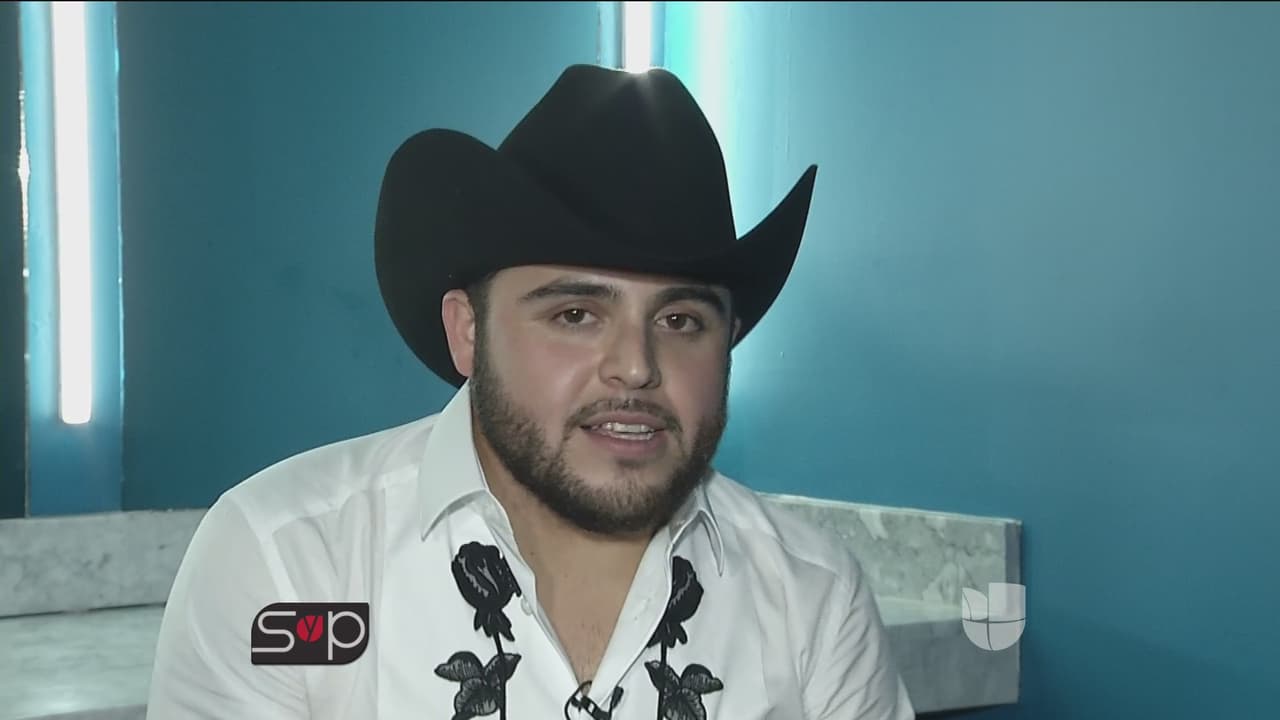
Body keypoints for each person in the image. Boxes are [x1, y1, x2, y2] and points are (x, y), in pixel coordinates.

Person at [146, 63, 915, 719]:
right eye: (575, 314)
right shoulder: (289, 564)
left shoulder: (812, 599)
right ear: (468, 332)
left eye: (681, 320)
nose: (635, 367)